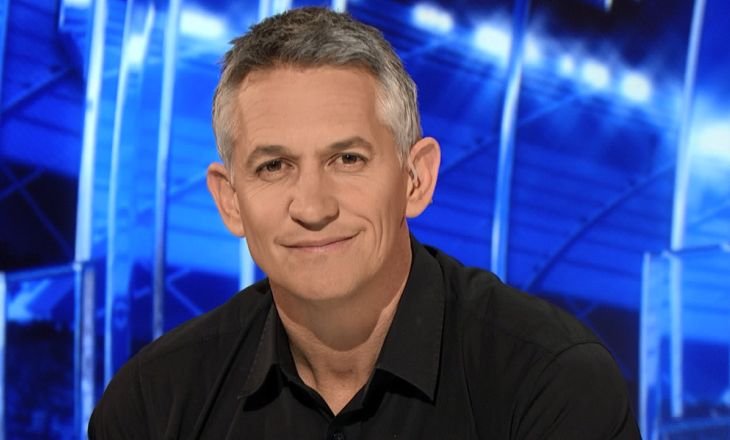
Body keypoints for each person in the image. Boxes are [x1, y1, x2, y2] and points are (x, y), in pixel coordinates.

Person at [89, 7, 641, 439]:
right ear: (230, 201)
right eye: (274, 166)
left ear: (416, 179)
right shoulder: (152, 402)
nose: (312, 207)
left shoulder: (551, 382)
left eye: (347, 159)